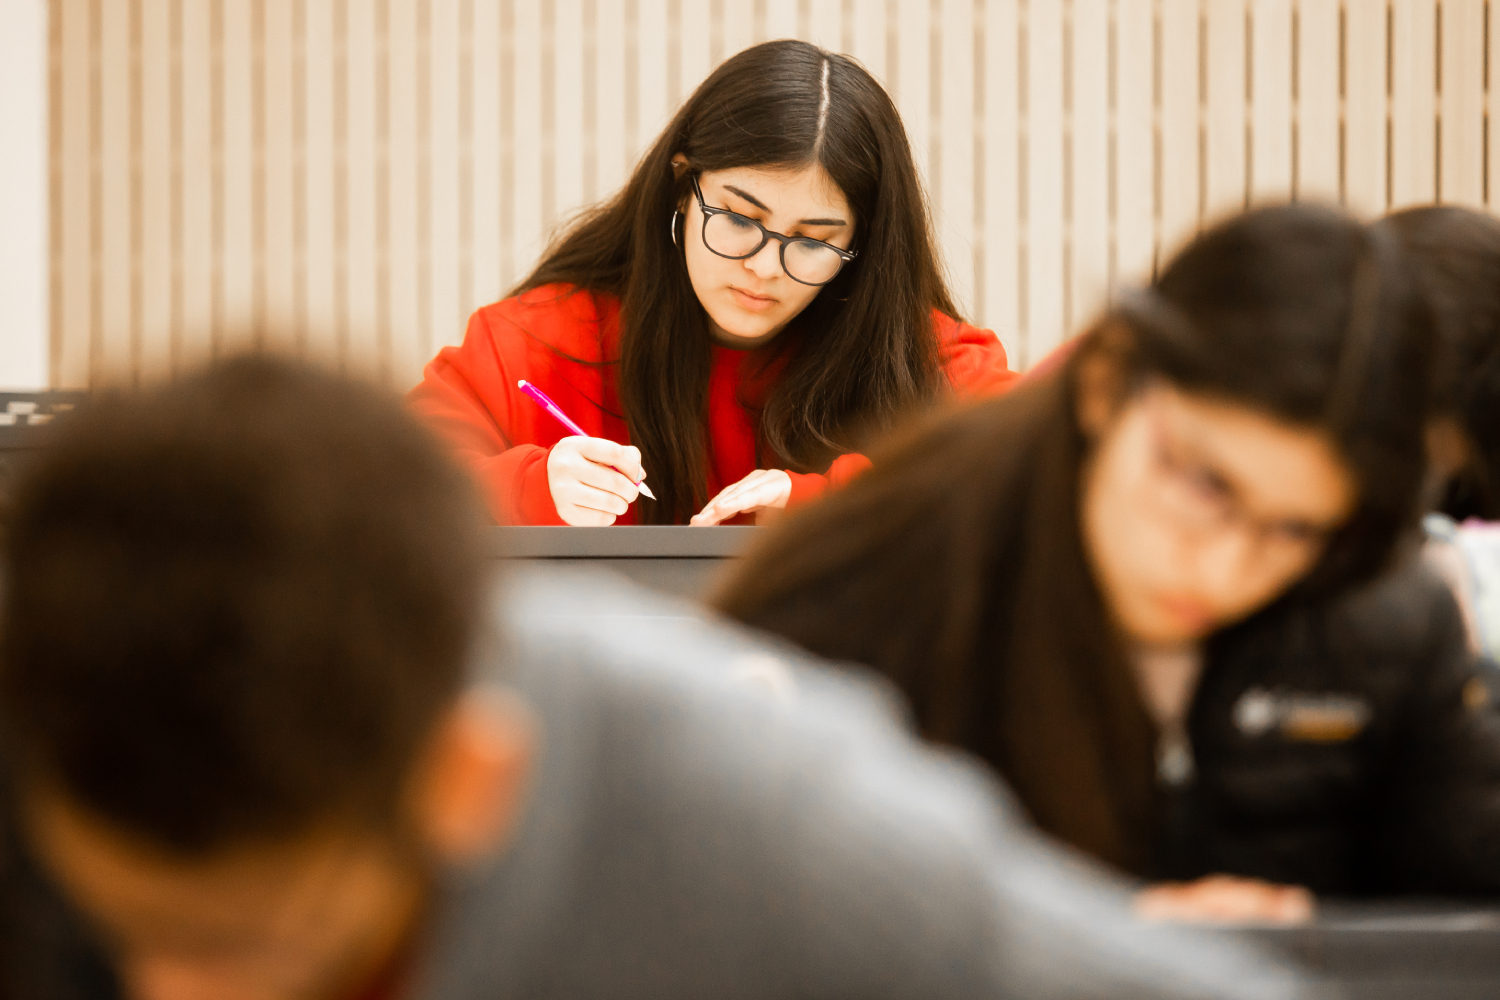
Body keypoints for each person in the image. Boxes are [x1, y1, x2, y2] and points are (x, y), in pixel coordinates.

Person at [0, 354, 1311, 1000]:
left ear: (470, 778)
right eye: (127, 927)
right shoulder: (58, 714)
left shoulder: (741, 808)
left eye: (248, 941)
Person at [717, 205, 1500, 912]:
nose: (1222, 572)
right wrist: (1095, 956)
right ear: (1106, 384)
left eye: (1294, 530)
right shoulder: (878, 571)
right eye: (1204, 485)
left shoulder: (1377, 604)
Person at [409, 39, 1017, 528]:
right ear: (683, 185)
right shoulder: (532, 341)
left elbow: (1029, 480)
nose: (764, 267)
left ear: (862, 248)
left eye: (813, 240)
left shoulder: (923, 359)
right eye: (738, 218)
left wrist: (825, 503)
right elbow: (396, 492)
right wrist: (526, 489)